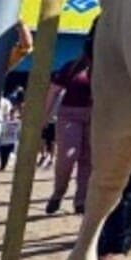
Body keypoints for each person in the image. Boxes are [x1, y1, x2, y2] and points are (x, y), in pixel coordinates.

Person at [46, 26, 95, 215]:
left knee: (88, 160)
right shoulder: (72, 66)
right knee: (67, 156)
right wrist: (44, 117)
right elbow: (53, 91)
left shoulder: (106, 70)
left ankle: (81, 200)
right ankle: (58, 193)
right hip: (69, 114)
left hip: (95, 115)